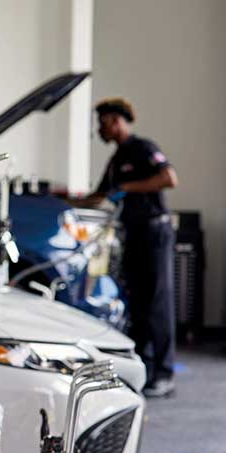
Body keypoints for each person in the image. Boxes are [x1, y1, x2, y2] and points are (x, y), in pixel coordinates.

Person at [73, 97, 178, 397]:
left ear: (116, 121)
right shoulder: (118, 159)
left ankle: (165, 373)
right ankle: (144, 368)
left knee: (158, 301)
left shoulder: (143, 147)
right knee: (139, 301)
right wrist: (66, 203)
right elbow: (100, 195)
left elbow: (169, 178)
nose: (99, 129)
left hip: (155, 231)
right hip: (133, 234)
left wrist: (129, 188)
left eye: (102, 122)